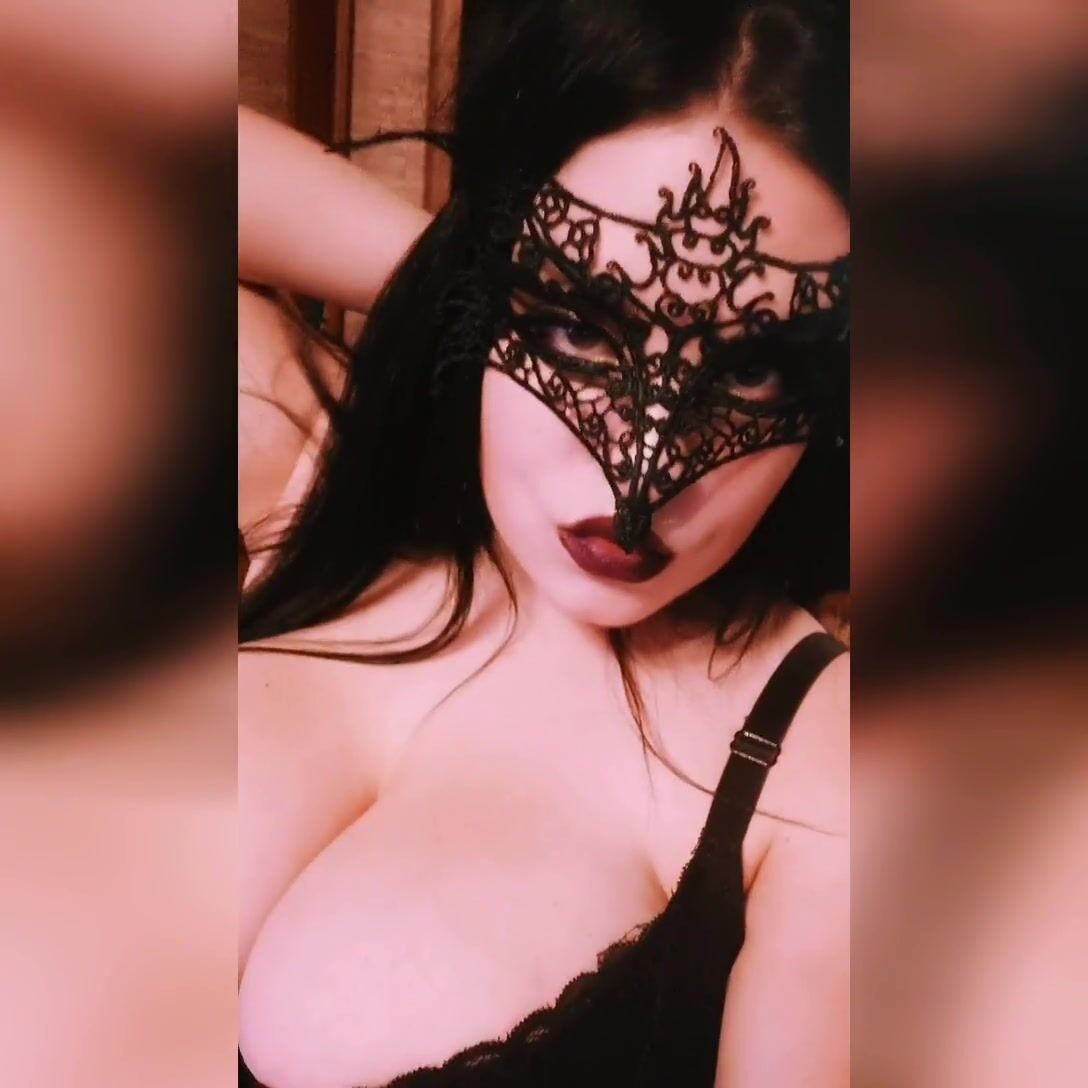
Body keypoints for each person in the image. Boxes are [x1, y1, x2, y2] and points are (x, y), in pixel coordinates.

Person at [238, 2, 850, 1085]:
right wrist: (448, 289)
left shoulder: (826, 755)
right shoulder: (300, 468)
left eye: (751, 369)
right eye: (578, 325)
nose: (640, 476)